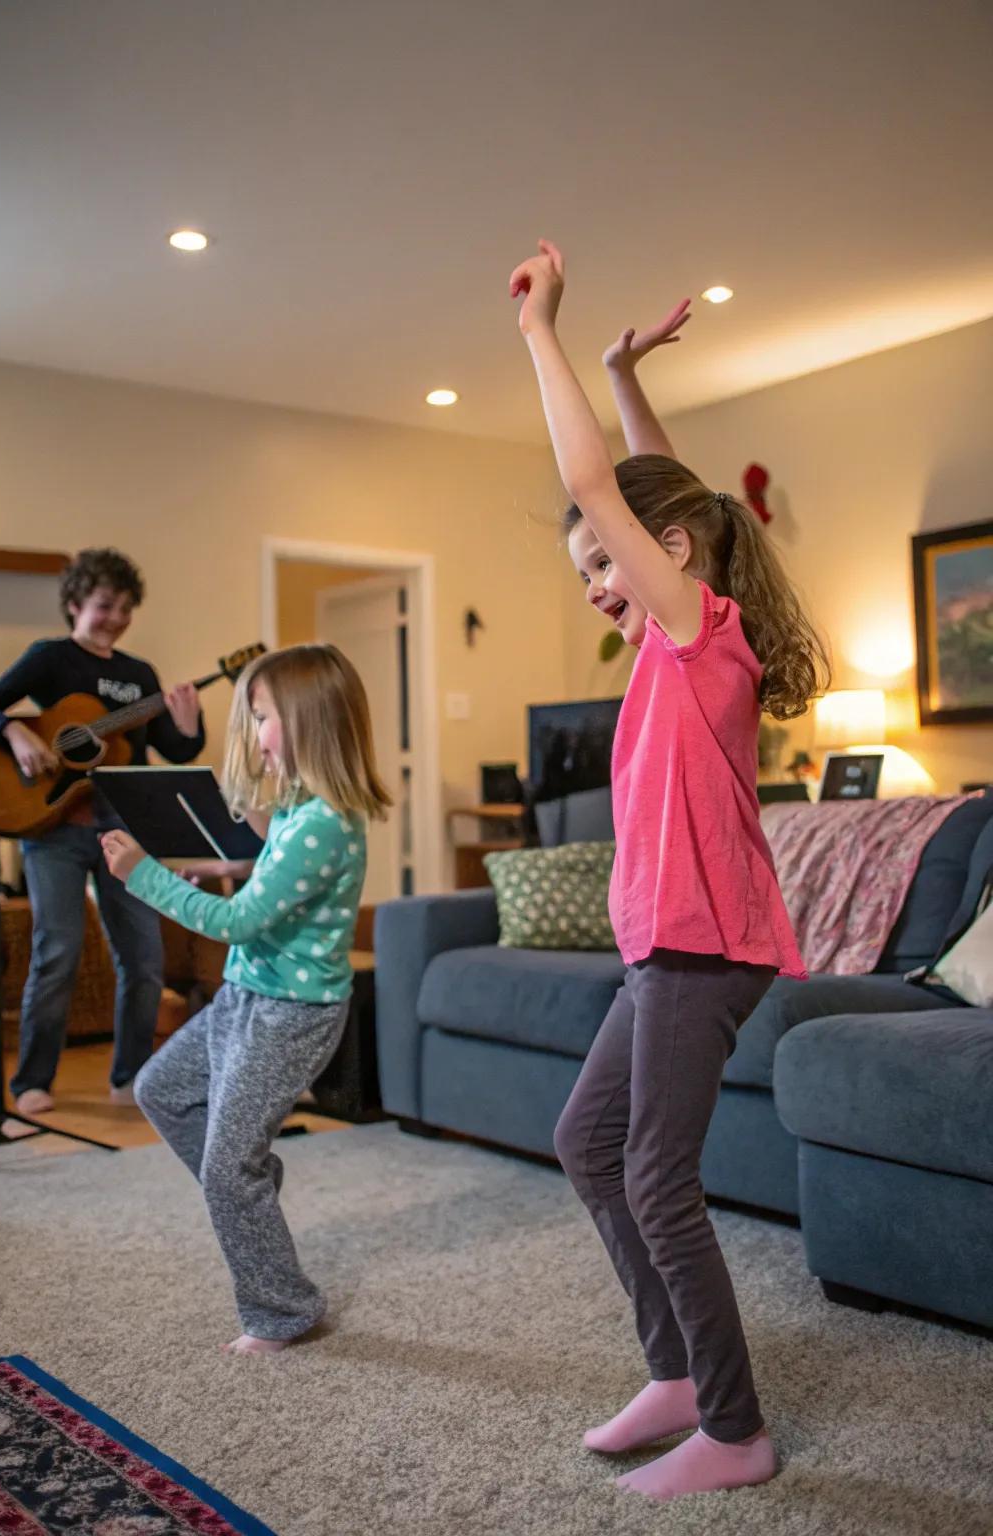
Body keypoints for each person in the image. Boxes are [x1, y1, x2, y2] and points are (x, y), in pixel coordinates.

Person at [509, 241, 829, 1503]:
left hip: (707, 946)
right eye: (589, 571)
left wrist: (542, 335)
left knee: (652, 1170)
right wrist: (619, 372)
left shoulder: (705, 640)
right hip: (658, 946)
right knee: (588, 1145)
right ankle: (683, 1373)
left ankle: (738, 1431)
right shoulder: (670, 642)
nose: (597, 584)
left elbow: (609, 486)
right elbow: (660, 491)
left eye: (604, 560)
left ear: (673, 555)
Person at [101, 643, 392, 1355]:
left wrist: (146, 875)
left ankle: (283, 1309)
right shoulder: (297, 809)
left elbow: (235, 922)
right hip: (246, 995)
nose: (255, 731)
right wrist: (231, 863)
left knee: (228, 1168)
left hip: (291, 1016)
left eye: (263, 716)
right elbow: (272, 879)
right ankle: (250, 1180)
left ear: (308, 721)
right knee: (161, 1091)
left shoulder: (326, 820)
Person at [0, 548, 204, 1114]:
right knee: (58, 952)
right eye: (105, 606)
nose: (116, 619)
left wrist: (189, 725)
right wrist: (12, 731)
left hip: (124, 833)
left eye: (126, 609)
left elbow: (173, 751)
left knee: (145, 959)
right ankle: (32, 1083)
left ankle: (131, 1078)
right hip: (51, 828)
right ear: (75, 603)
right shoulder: (49, 659)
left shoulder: (139, 676)